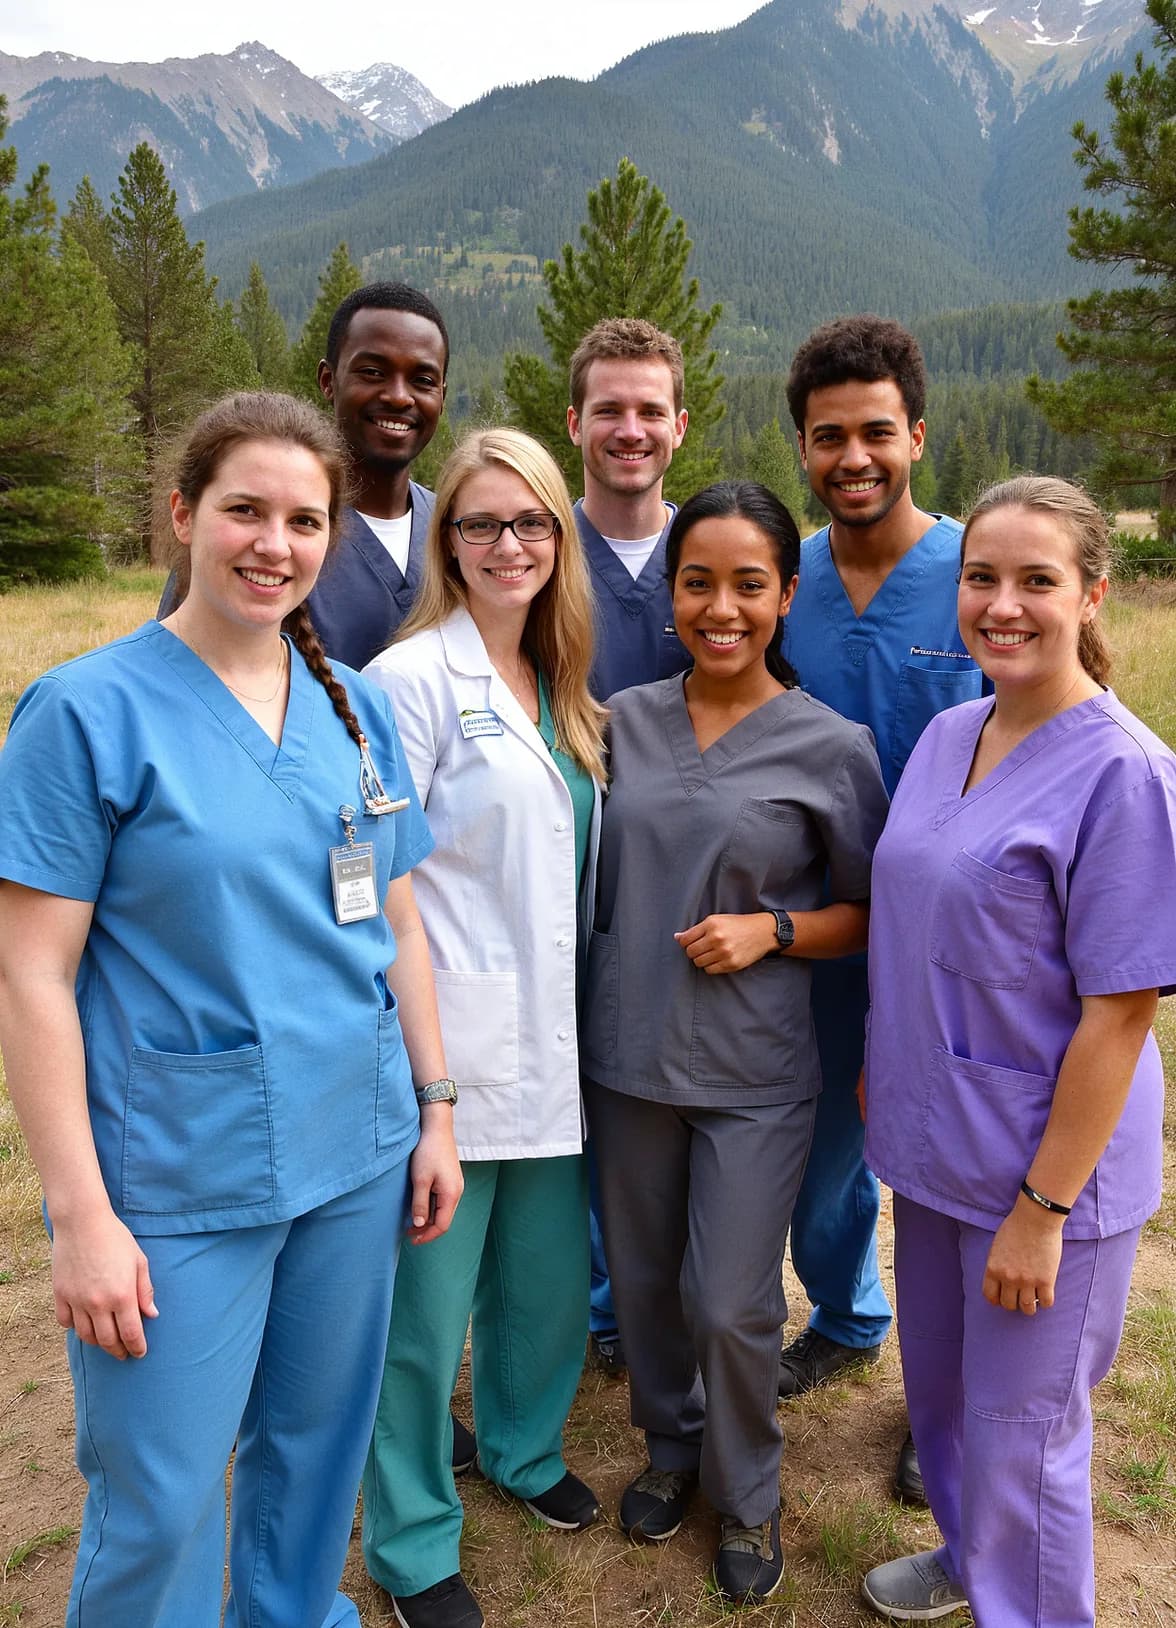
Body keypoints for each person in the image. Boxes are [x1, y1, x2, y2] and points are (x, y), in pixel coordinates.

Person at [0, 392, 463, 1628]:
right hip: (174, 1177)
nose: (275, 542)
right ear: (182, 515)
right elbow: (33, 975)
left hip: (355, 1150)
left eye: (303, 518)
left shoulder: (353, 705)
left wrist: (435, 1110)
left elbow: (399, 926)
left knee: (313, 1462)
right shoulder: (86, 711)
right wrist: (80, 1216)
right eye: (244, 509)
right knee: (156, 1497)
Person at [859, 475, 1176, 1624]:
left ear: (1092, 592)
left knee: (1023, 1429)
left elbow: (1122, 1013)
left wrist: (1043, 1207)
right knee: (943, 1393)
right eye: (981, 577)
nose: (1003, 603)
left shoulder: (1124, 774)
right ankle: (969, 1551)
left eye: (1036, 580)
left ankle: (1029, 1597)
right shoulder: (952, 731)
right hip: (937, 1139)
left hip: (1045, 1168)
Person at [581, 482, 889, 1607]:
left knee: (732, 1299)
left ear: (786, 594)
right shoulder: (621, 720)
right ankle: (670, 1446)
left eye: (748, 583)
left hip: (755, 1069)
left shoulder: (832, 745)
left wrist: (774, 928)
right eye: (698, 581)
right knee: (651, 1283)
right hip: (627, 1055)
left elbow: (871, 907)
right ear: (670, 595)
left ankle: (748, 1489)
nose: (722, 607)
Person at [360, 428, 607, 1628]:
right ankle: (410, 1541)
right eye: (480, 523)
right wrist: (428, 1088)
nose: (508, 544)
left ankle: (520, 1447)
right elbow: (375, 881)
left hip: (558, 1050)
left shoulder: (560, 677)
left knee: (548, 1286)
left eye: (531, 523)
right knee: (421, 1319)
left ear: (559, 537)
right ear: (445, 542)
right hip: (444, 1053)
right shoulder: (407, 682)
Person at [779, 315, 985, 1504]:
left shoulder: (973, 574)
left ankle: (943, 1403)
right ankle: (851, 1316)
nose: (853, 457)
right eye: (827, 438)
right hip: (822, 931)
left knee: (949, 1181)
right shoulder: (789, 580)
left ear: (915, 432)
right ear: (803, 447)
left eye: (874, 433)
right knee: (828, 1151)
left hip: (955, 944)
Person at [566, 315, 692, 1370]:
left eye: (650, 408)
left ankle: (688, 1296)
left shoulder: (716, 549)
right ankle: (603, 1306)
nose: (630, 427)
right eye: (610, 406)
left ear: (681, 425)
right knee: (588, 1090)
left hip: (693, 874)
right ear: (575, 423)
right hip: (560, 875)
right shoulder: (538, 545)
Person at [158, 281, 449, 672]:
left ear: (443, 396)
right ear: (329, 381)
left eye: (423, 380)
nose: (399, 396)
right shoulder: (251, 538)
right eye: (373, 372)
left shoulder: (458, 531)